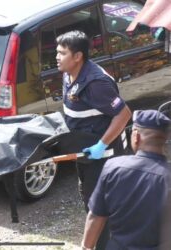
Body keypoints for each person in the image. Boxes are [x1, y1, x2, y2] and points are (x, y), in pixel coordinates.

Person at [56, 30, 132, 249]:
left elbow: (124, 113)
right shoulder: (69, 73)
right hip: (86, 154)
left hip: (104, 158)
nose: (57, 57)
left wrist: (102, 145)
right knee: (90, 200)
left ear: (78, 56)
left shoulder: (95, 84)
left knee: (99, 209)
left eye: (62, 53)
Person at [82, 109, 171, 250]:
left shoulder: (113, 168)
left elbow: (96, 215)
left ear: (136, 136)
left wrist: (86, 247)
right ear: (165, 141)